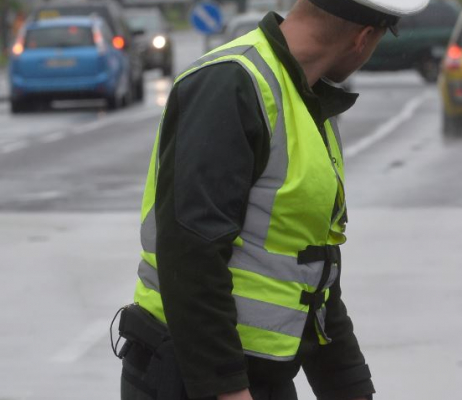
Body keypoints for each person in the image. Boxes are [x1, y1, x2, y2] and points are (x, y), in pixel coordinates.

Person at [116, 0, 429, 399]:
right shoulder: (231, 83)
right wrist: (227, 390)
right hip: (192, 377)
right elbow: (190, 252)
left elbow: (314, 278)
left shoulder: (304, 99)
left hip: (259, 376)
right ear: (363, 38)